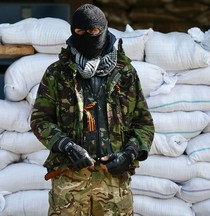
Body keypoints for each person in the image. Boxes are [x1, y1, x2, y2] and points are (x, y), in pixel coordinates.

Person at [30, 3, 154, 215]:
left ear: (104, 31)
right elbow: (40, 120)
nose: (86, 36)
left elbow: (143, 123)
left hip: (113, 184)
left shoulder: (125, 74)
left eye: (93, 31)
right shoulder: (58, 73)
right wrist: (67, 146)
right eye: (79, 32)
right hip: (69, 182)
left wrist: (129, 154)